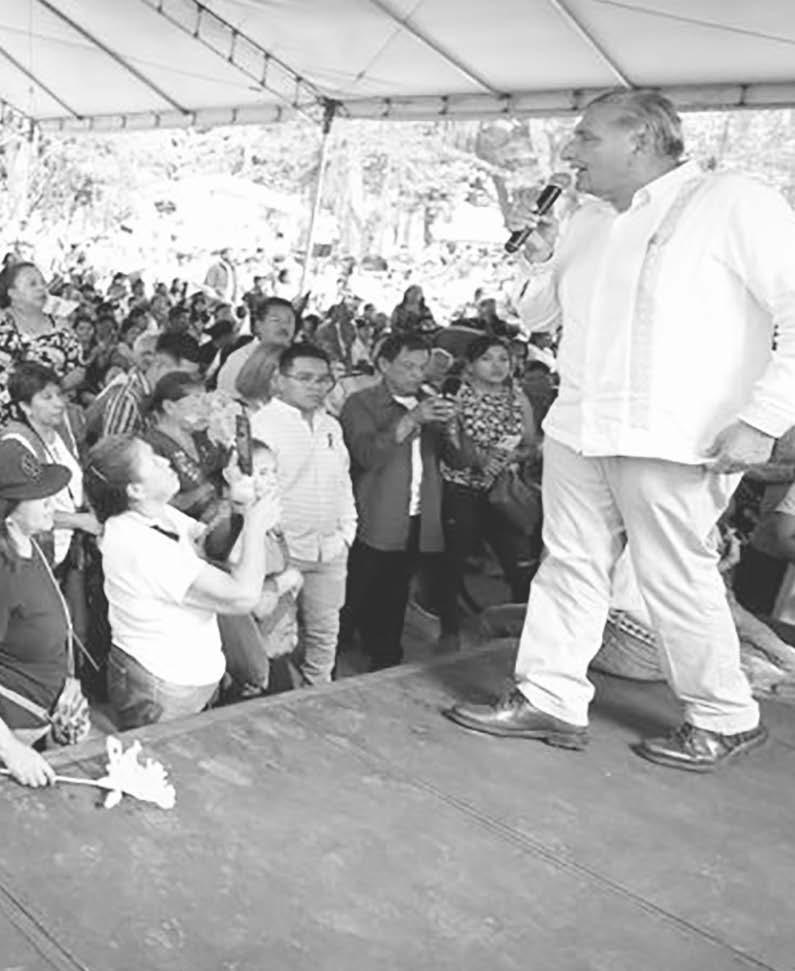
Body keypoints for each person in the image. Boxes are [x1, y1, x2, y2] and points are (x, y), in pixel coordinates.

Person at [445, 88, 795, 771]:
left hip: (677, 433)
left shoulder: (730, 201)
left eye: (585, 136)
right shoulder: (585, 218)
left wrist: (763, 419)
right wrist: (539, 255)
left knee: (673, 574)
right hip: (581, 422)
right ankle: (550, 696)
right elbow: (537, 319)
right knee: (568, 562)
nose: (569, 150)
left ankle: (724, 716)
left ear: (640, 139)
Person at [83, 435, 275, 729]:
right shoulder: (140, 545)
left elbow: (209, 543)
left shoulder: (157, 514)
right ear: (135, 489)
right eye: (153, 461)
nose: (166, 461)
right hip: (161, 689)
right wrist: (256, 526)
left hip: (187, 677)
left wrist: (237, 503)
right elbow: (243, 596)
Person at [340, 334, 455, 670]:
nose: (417, 374)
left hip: (418, 510)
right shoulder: (361, 403)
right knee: (357, 586)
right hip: (375, 511)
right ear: (384, 364)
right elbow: (367, 455)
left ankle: (385, 653)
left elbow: (460, 460)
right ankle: (337, 647)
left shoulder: (430, 401)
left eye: (422, 367)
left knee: (396, 588)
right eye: (408, 366)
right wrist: (411, 420)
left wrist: (452, 428)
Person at [251, 344, 357, 684]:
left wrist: (347, 532)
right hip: (284, 553)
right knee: (275, 636)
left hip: (330, 549)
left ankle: (318, 694)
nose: (315, 386)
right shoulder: (262, 425)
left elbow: (343, 481)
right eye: (305, 378)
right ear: (280, 380)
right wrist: (271, 547)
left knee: (325, 635)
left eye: (323, 379)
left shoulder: (331, 426)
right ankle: (273, 701)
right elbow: (256, 492)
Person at [438, 336, 537, 646]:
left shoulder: (517, 399)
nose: (497, 366)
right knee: (453, 558)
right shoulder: (457, 397)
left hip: (503, 489)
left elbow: (531, 445)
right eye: (487, 359)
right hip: (461, 488)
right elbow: (446, 445)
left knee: (518, 561)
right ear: (470, 365)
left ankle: (522, 630)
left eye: (503, 359)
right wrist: (476, 458)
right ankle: (449, 629)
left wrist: (511, 457)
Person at [0, 441, 88, 787]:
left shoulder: (29, 542)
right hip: (15, 733)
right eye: (40, 497)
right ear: (8, 512)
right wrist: (11, 751)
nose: (54, 502)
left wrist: (68, 686)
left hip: (46, 716)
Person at [3, 363, 99, 569]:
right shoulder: (16, 445)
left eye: (59, 395)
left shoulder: (61, 430)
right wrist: (80, 521)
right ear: (25, 406)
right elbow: (22, 514)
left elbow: (76, 479)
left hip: (68, 544)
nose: (59, 403)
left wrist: (91, 511)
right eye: (47, 397)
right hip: (38, 551)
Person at [0, 261, 86, 423]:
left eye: (42, 283)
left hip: (50, 418)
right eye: (32, 284)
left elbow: (79, 368)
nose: (41, 288)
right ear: (12, 293)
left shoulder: (61, 326)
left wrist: (50, 391)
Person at [144, 372, 227, 522]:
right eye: (196, 401)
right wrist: (208, 489)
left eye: (205, 401)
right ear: (169, 407)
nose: (205, 408)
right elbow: (162, 503)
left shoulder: (201, 435)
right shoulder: (151, 446)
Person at [99, 331, 200, 439]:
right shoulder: (128, 402)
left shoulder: (166, 396)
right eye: (182, 376)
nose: (186, 383)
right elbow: (114, 448)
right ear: (159, 364)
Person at [216, 297, 295, 398]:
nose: (284, 326)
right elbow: (227, 400)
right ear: (258, 325)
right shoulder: (240, 359)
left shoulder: (300, 358)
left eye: (289, 321)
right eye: (276, 320)